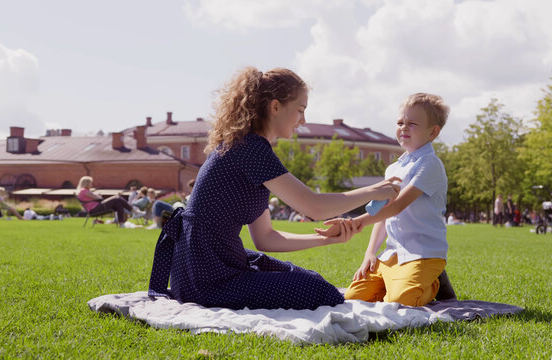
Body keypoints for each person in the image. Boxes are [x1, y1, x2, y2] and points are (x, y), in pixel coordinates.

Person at [148, 67, 399, 310]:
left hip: (209, 266)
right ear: (275, 106)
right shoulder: (251, 148)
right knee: (321, 293)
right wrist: (375, 190)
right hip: (207, 276)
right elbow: (313, 206)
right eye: (300, 110)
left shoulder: (249, 147)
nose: (303, 120)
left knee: (314, 282)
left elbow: (265, 238)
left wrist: (324, 239)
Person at [316, 93, 456, 306]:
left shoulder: (430, 165)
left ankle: (434, 281)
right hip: (393, 254)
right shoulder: (394, 168)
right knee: (353, 299)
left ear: (433, 132)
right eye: (400, 122)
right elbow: (380, 211)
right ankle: (400, 281)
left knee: (399, 302)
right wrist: (370, 253)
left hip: (423, 253)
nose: (404, 127)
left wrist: (352, 223)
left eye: (412, 123)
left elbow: (396, 207)